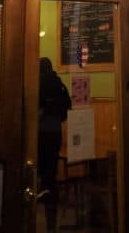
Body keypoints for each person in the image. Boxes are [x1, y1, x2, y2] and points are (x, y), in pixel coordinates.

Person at [38, 57, 72, 232]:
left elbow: (35, 106)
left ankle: (44, 193)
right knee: (51, 163)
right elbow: (67, 106)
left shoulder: (40, 82)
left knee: (42, 164)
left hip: (42, 131)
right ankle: (51, 194)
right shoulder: (59, 83)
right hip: (56, 131)